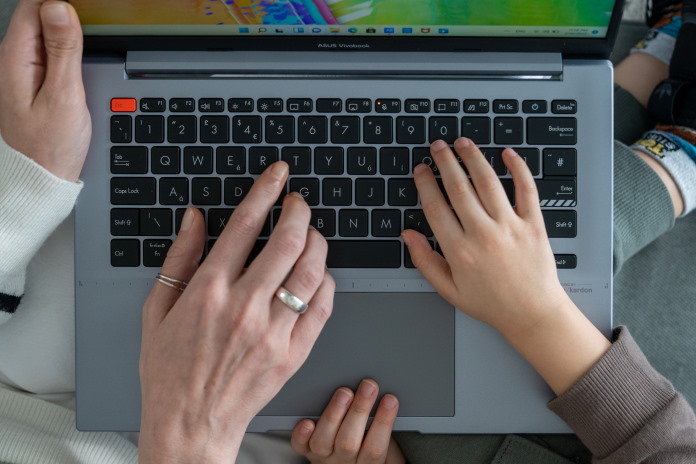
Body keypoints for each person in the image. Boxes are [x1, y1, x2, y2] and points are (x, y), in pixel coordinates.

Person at [0, 2, 694, 464]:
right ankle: (677, 121)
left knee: (543, 170)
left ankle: (659, 75)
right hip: (294, 437)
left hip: (42, 257)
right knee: (556, 215)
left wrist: (25, 181)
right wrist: (188, 437)